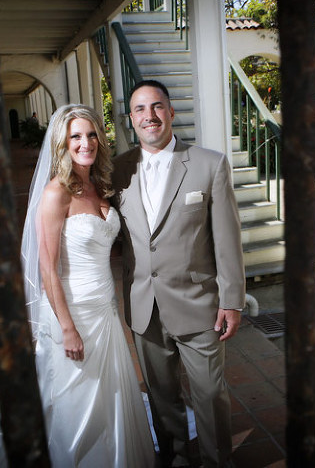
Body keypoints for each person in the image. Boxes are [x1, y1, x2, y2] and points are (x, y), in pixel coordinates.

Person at [112, 80, 246, 467]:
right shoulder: (117, 170)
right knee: (161, 396)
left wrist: (232, 300)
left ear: (170, 112)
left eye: (157, 106)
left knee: (210, 394)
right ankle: (176, 460)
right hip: (143, 306)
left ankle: (217, 461)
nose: (149, 116)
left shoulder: (209, 163)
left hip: (199, 305)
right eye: (140, 109)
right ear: (131, 118)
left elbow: (227, 239)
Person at [20, 104, 155, 468]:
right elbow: (47, 268)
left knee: (111, 391)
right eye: (76, 136)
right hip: (73, 311)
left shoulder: (99, 185)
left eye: (92, 134)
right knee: (79, 400)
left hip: (105, 310)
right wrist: (67, 328)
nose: (86, 143)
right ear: (62, 144)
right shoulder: (56, 193)